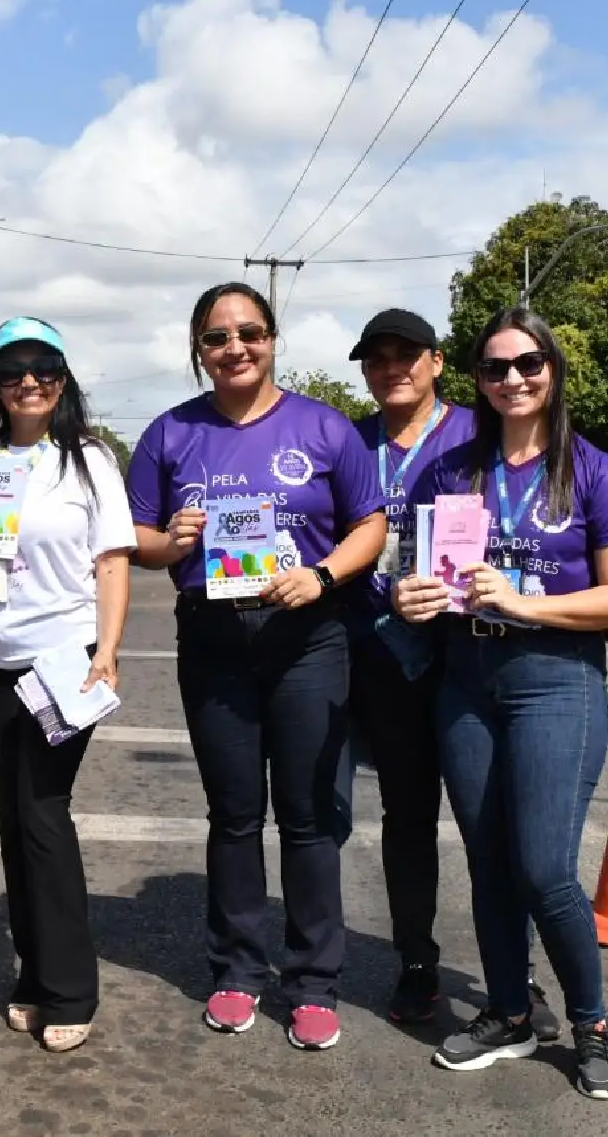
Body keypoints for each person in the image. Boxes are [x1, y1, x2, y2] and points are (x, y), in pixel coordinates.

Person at [392, 306, 608, 1101]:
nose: (513, 379)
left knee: (543, 867)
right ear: (477, 379)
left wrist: (527, 606)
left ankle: (592, 1022)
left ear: (553, 371)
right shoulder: (451, 472)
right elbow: (416, 566)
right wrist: (411, 594)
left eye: (529, 364)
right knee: (489, 861)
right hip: (467, 680)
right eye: (497, 367)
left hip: (555, 679)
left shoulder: (595, 471)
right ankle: (508, 1011)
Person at [126, 282, 388, 1052]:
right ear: (198, 350)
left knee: (308, 818)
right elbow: (136, 540)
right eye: (216, 337)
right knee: (234, 816)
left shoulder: (323, 427)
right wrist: (173, 538)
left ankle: (313, 983)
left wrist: (325, 575)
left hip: (307, 635)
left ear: (273, 339)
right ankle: (238, 970)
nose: (234, 347)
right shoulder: (171, 434)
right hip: (213, 639)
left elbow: (369, 523)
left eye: (249, 332)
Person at [0, 317, 135, 1054]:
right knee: (12, 822)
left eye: (44, 369)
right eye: (12, 371)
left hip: (61, 659)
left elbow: (113, 561)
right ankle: (33, 974)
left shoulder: (88, 461)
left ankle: (70, 988)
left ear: (63, 380)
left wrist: (105, 652)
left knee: (45, 814)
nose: (29, 383)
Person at [337, 308, 496, 1026]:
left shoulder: (477, 433)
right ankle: (417, 960)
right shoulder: (348, 440)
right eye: (377, 359)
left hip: (465, 655)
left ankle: (512, 977)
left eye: (407, 354)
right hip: (375, 655)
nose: (392, 367)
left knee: (490, 819)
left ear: (436, 362)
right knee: (407, 818)